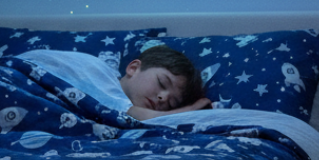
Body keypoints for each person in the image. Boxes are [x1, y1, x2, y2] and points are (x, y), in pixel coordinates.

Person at [17, 44, 211, 120]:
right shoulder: (98, 72)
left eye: (171, 103)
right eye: (161, 82)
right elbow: (137, 116)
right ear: (133, 68)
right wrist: (190, 110)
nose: (163, 98)